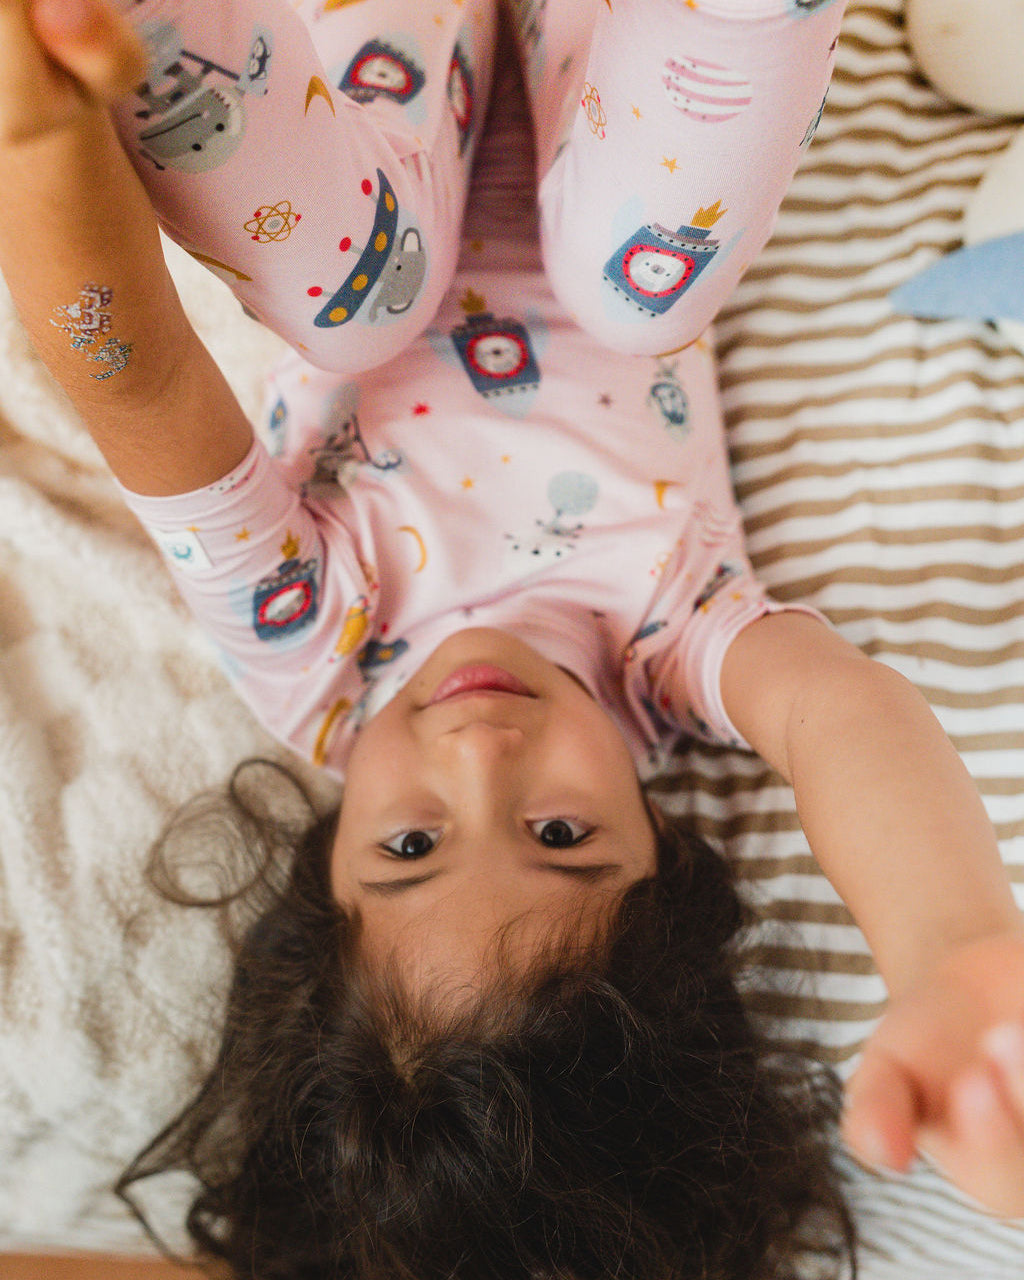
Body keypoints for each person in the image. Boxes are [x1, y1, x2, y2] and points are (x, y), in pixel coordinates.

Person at [2, 1, 1024, 1276]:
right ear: (663, 855)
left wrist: (39, 144)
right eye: (559, 835)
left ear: (326, 872)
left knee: (352, 306)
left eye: (411, 846)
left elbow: (141, 382)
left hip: (372, 84)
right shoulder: (671, 644)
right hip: (595, 62)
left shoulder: (312, 653)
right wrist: (947, 944)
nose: (481, 752)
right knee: (636, 288)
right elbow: (843, 718)